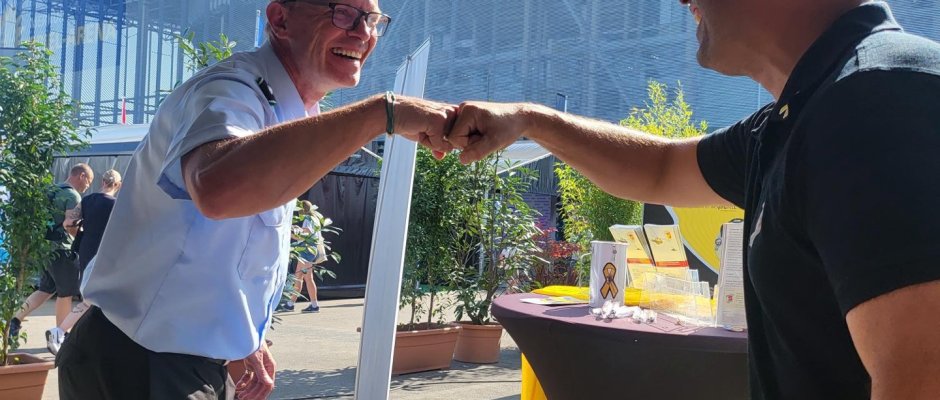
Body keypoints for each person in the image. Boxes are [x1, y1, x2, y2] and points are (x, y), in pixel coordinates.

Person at [446, 1, 940, 399]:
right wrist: (530, 120)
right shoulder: (797, 118)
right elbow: (660, 168)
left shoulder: (875, 96)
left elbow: (922, 378)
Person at [56, 0, 454, 399]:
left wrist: (245, 338)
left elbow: (219, 250)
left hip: (163, 360)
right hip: (143, 366)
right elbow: (216, 188)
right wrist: (382, 114)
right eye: (343, 13)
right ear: (280, 19)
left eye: (371, 19)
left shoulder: (284, 110)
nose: (363, 33)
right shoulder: (232, 89)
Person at [8, 164, 92, 340]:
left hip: (44, 248)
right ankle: (60, 335)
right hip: (62, 250)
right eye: (89, 181)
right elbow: (70, 224)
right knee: (66, 293)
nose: (88, 186)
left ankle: (16, 319)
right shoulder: (72, 195)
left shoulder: (51, 190)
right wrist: (81, 240)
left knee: (46, 289)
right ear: (82, 176)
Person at [46, 169, 123, 355]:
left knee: (93, 298)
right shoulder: (116, 205)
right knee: (94, 299)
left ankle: (68, 334)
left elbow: (68, 223)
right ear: (118, 185)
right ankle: (61, 332)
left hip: (86, 251)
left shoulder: (87, 200)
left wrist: (81, 234)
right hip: (105, 255)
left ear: (102, 182)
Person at [278, 200, 327, 313]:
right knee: (299, 277)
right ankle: (290, 304)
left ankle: (314, 305)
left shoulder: (308, 219)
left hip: (307, 250)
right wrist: (294, 231)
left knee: (306, 278)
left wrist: (294, 231)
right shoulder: (315, 218)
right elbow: (307, 235)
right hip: (308, 249)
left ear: (302, 209)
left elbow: (307, 232)